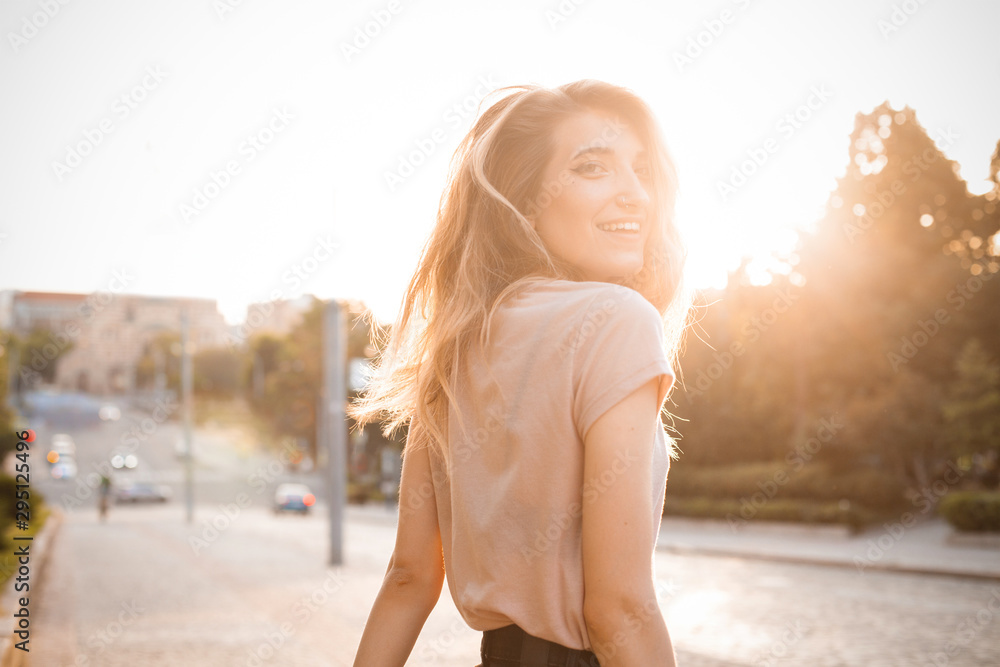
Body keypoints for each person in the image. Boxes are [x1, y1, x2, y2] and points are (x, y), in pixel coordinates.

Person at [349, 79, 691, 667]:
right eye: (592, 167)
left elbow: (408, 579)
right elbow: (618, 610)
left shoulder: (457, 342)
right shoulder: (619, 320)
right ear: (526, 199)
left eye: (641, 171)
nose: (635, 194)